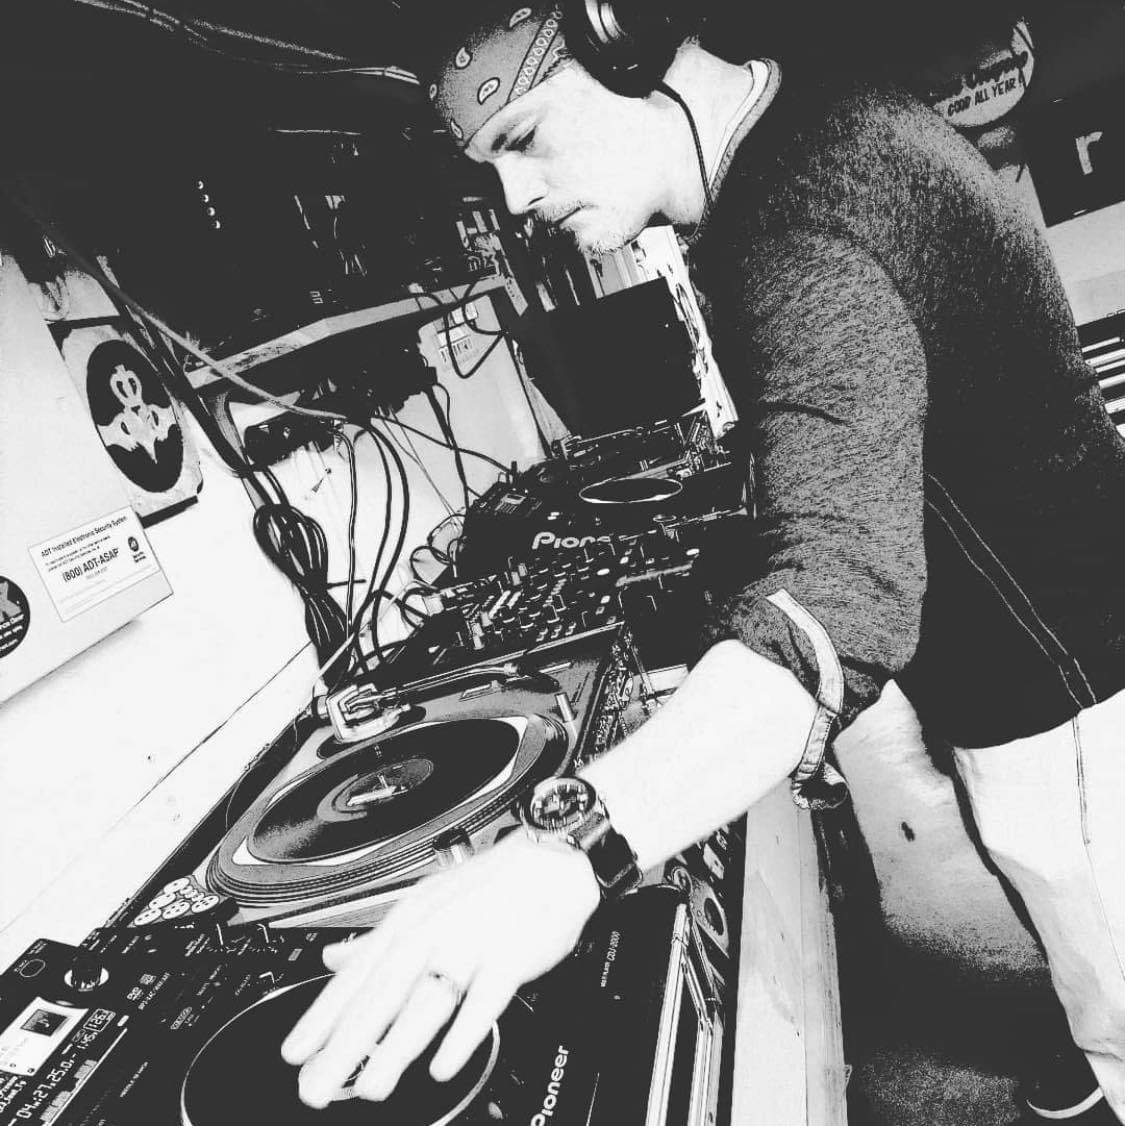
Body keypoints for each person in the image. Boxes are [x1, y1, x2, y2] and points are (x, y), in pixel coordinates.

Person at [281, 3, 1125, 1120]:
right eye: (489, 170)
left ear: (628, 49)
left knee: (1114, 985)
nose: (514, 199)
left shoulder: (799, 214)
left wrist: (570, 846)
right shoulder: (814, 134)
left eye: (525, 139)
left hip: (1070, 703)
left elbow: (836, 586)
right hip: (1045, 668)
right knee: (1080, 953)